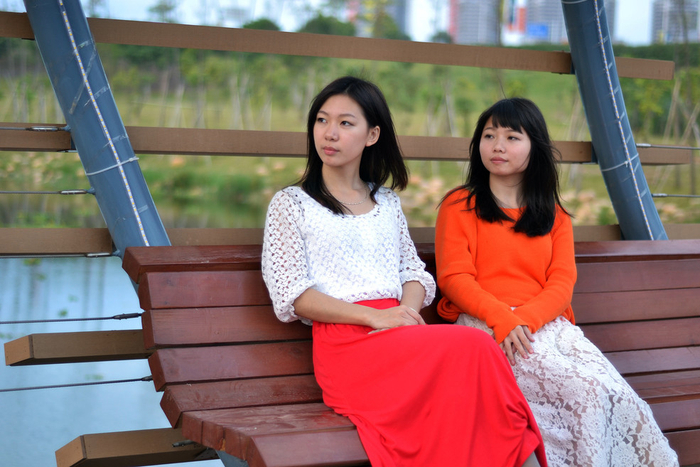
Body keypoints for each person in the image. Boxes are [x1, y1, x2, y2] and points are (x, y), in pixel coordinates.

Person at [262, 76, 547, 467]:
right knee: (476, 346)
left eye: (345, 123)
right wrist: (375, 318)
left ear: (372, 135)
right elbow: (293, 295)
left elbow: (413, 273)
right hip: (347, 346)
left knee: (476, 371)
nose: (330, 133)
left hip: (400, 333)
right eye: (322, 120)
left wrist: (404, 315)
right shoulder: (291, 203)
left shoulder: (386, 202)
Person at [435, 97, 679, 466]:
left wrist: (525, 319)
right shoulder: (459, 205)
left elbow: (562, 283)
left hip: (547, 326)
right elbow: (454, 277)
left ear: (535, 147)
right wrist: (504, 319)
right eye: (489, 135)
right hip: (486, 327)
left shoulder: (553, 214)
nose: (498, 145)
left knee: (618, 395)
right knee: (585, 392)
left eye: (512, 137)